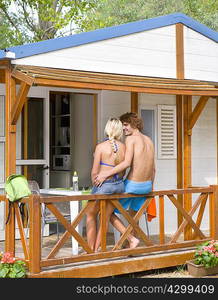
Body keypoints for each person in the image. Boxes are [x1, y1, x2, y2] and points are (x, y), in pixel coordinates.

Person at [94, 112, 156, 233]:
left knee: (106, 211)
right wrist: (151, 187)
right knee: (134, 217)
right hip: (147, 186)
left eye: (126, 125)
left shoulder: (131, 139)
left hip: (133, 185)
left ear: (134, 124)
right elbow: (154, 169)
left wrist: (104, 174)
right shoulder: (149, 140)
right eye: (123, 125)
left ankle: (129, 239)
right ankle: (130, 246)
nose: (123, 128)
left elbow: (126, 163)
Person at [86, 117, 139, 251]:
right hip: (119, 185)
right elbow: (125, 168)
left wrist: (96, 181)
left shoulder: (100, 147)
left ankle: (90, 249)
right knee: (105, 217)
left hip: (104, 186)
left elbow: (94, 172)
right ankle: (98, 249)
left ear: (107, 129)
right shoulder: (124, 147)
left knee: (90, 214)